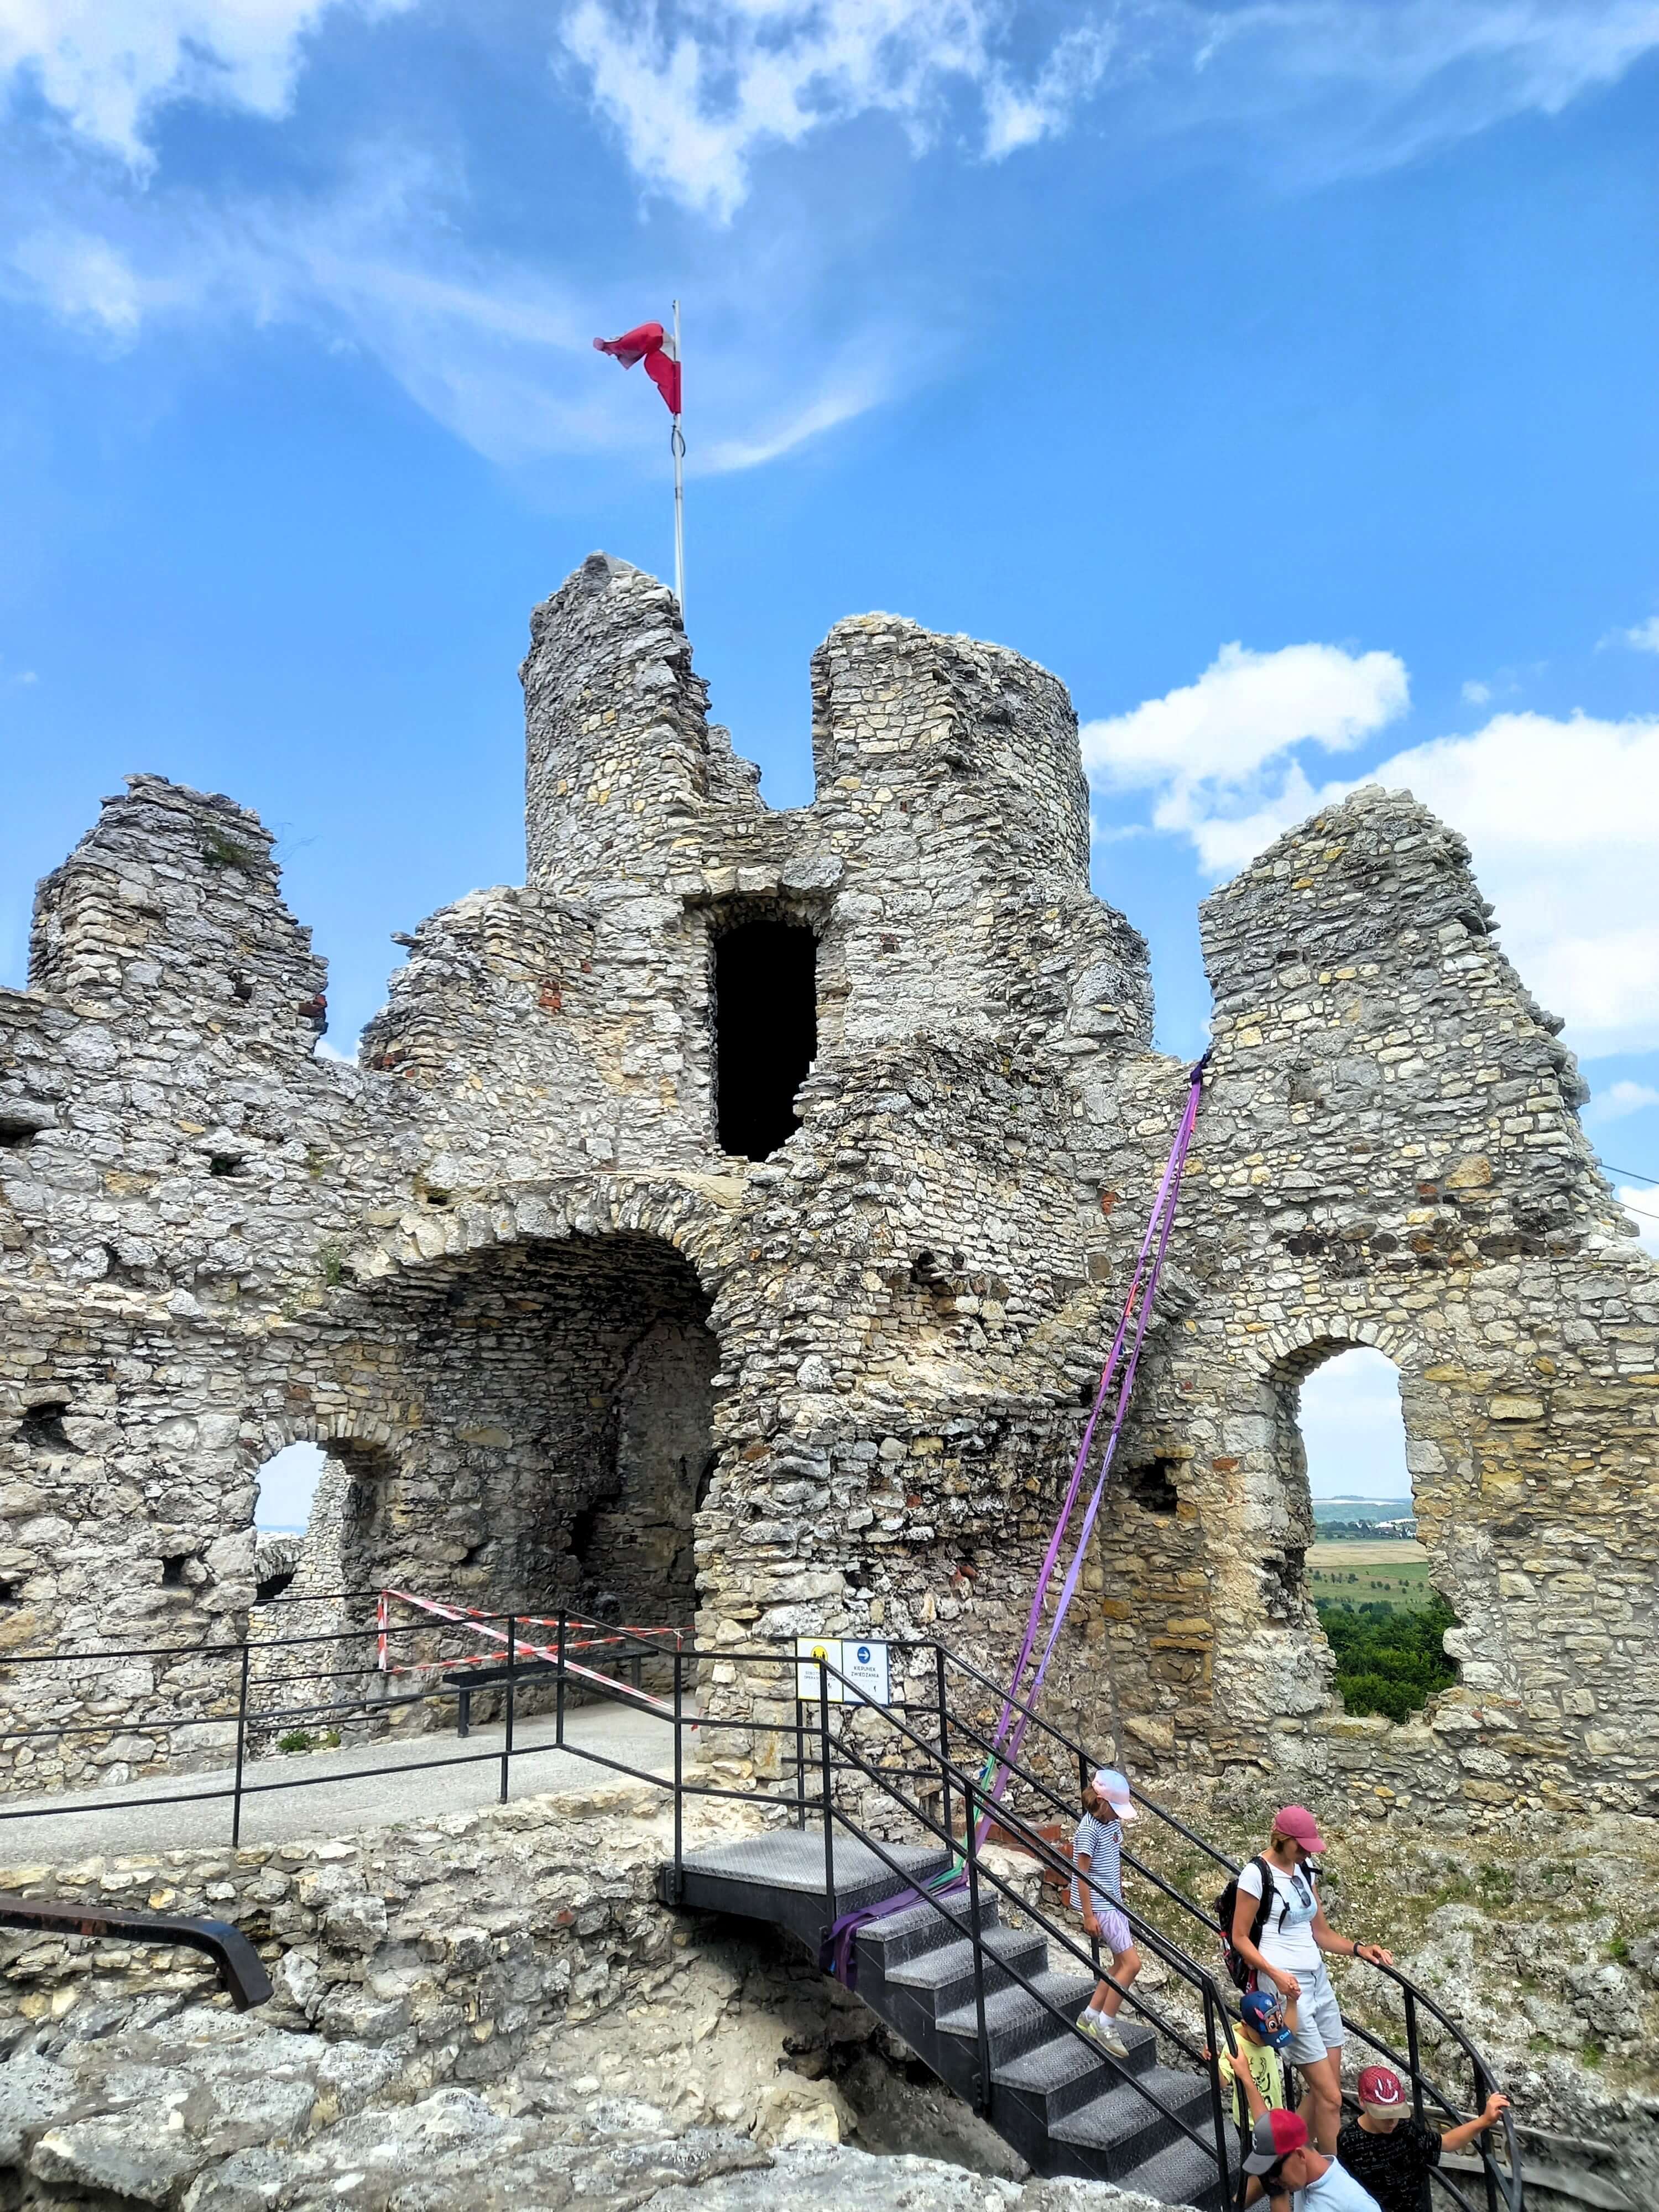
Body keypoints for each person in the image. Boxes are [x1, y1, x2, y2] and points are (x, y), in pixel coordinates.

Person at [1230, 1805, 1394, 2151]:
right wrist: (1274, 1973)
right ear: (1282, 1839)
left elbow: (1320, 1932)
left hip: (1318, 1979)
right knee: (1331, 2097)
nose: (1307, 1851)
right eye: (1301, 1845)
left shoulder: (1305, 1869)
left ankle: (1291, 2156)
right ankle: (1331, 2172)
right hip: (1286, 1986)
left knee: (1327, 2088)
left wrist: (1359, 1949)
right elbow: (1240, 1938)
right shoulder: (1256, 1875)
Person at [1337, 2064, 1511, 2212]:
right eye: (1383, 2114)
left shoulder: (1405, 2128)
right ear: (1362, 2102)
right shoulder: (1348, 2141)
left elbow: (1446, 2142)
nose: (1392, 2121)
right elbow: (1343, 2192)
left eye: (1396, 2112)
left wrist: (1484, 2121)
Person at [1070, 1765, 1142, 2058]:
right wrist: (1089, 1915)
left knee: (1119, 1965)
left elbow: (1113, 1859)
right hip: (1101, 1906)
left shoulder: (1111, 1824)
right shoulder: (1088, 1831)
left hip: (1113, 1901)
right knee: (1132, 1965)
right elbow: (1082, 1874)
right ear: (1101, 1802)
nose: (1118, 1816)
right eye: (1116, 1809)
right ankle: (1106, 2023)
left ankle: (1089, 2016)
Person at [1243, 2108, 1383, 2211]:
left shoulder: (1354, 2202)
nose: (1272, 2180)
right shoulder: (1304, 2181)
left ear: (1300, 2155)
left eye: (1274, 2169)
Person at [1216, 1985, 1300, 2132]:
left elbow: (1288, 2033)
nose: (1269, 2042)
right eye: (1264, 2037)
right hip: (1250, 2124)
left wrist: (1292, 2002)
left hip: (1275, 2114)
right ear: (1245, 2025)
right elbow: (1221, 2083)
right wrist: (1213, 2063)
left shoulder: (1267, 2034)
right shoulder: (1234, 2046)